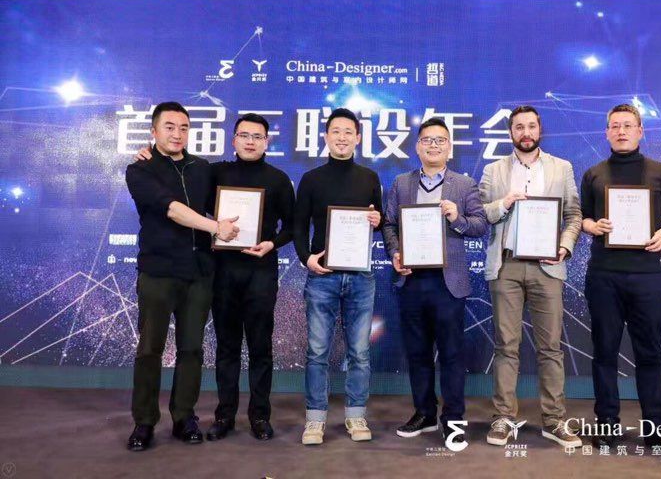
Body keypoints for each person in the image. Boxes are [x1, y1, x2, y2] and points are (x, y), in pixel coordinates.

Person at [136, 112, 295, 441]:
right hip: (221, 270)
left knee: (261, 347)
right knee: (226, 347)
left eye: (257, 137)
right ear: (233, 140)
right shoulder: (214, 172)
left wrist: (272, 244)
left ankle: (260, 416)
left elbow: (292, 226)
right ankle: (224, 415)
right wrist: (148, 156)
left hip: (261, 271)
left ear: (267, 142)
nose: (250, 142)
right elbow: (184, 195)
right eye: (244, 135)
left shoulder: (279, 179)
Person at [125, 101, 239, 451]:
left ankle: (183, 417)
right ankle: (144, 421)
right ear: (154, 131)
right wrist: (215, 227)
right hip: (158, 273)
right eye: (170, 127)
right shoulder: (139, 170)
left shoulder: (202, 168)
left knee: (192, 349)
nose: (177, 134)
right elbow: (173, 210)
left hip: (198, 273)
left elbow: (232, 196)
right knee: (150, 349)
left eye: (184, 128)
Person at [579, 103, 661, 455]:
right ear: (607, 133)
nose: (621, 131)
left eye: (628, 125)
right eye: (615, 126)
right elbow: (581, 217)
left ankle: (655, 429)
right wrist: (591, 225)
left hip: (647, 276)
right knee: (604, 353)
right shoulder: (594, 174)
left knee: (649, 354)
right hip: (604, 276)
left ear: (641, 131)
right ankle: (607, 425)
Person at [478, 105, 583, 449]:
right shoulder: (494, 170)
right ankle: (503, 418)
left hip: (547, 266)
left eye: (531, 126)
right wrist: (505, 203)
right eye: (519, 127)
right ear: (511, 132)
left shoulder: (561, 168)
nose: (526, 132)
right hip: (506, 266)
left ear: (540, 130)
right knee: (506, 346)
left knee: (550, 347)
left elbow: (574, 215)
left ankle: (554, 420)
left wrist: (564, 247)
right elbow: (480, 214)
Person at [382, 118, 487, 445]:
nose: (433, 145)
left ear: (449, 147)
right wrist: (396, 252)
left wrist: (457, 217)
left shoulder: (464, 185)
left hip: (448, 282)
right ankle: (424, 413)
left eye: (440, 140)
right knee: (417, 352)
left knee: (452, 354)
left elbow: (480, 225)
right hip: (411, 279)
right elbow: (389, 224)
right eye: (427, 140)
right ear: (417, 146)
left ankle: (453, 419)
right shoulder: (402, 183)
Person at [293, 108, 383, 445]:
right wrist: (307, 258)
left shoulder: (369, 178)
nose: (342, 137)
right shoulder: (311, 179)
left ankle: (356, 415)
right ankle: (315, 420)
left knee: (359, 352)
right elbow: (298, 225)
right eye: (336, 131)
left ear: (358, 138)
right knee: (317, 352)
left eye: (348, 132)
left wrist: (377, 219)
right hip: (322, 276)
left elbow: (378, 218)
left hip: (361, 277)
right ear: (326, 136)